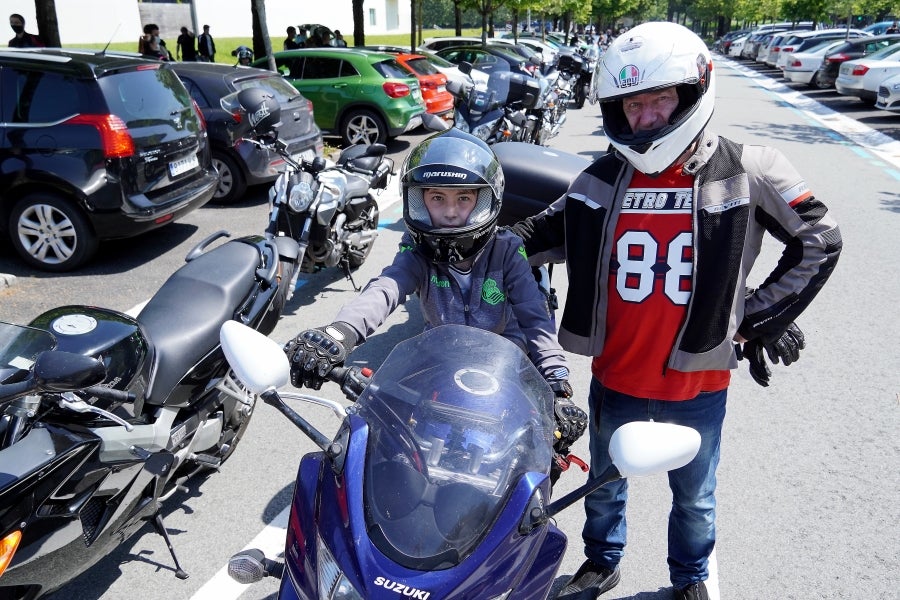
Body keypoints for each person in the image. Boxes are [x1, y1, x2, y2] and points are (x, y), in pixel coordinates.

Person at [508, 21, 841, 600]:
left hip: (698, 383)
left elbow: (821, 239)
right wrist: (460, 234)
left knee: (695, 496)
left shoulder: (750, 166)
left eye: (660, 98)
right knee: (606, 487)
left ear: (692, 92)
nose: (647, 118)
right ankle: (602, 561)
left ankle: (689, 579)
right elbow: (535, 233)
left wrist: (759, 318)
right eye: (632, 105)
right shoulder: (599, 177)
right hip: (616, 375)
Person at [284, 128, 588, 481]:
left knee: (530, 467)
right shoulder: (416, 250)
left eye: (464, 199)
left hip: (507, 367)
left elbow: (535, 320)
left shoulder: (506, 249)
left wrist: (557, 387)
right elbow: (385, 289)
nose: (450, 212)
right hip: (442, 361)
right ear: (417, 200)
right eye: (436, 198)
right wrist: (339, 333)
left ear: (486, 200)